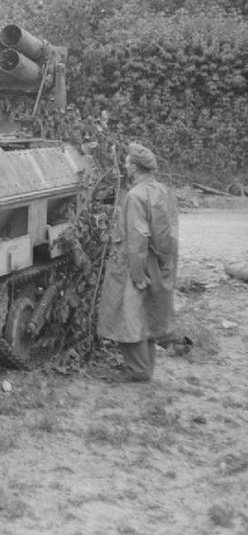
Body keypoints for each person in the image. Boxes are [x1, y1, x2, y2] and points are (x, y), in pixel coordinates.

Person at [97, 142, 181, 382]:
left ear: (134, 167)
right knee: (148, 314)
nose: (124, 166)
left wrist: (137, 275)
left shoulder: (135, 196)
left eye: (126, 163)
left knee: (128, 316)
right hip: (158, 263)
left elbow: (137, 239)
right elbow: (167, 233)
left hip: (136, 265)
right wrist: (164, 265)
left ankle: (139, 371)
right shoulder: (162, 190)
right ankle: (145, 368)